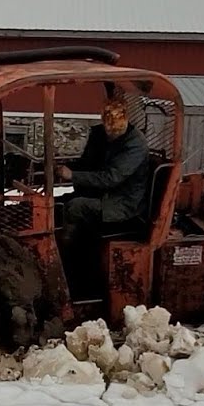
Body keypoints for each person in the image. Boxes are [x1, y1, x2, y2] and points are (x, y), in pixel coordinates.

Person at [54, 96, 151, 288]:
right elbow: (89, 162)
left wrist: (73, 175)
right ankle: (74, 254)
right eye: (107, 128)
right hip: (104, 195)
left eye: (114, 130)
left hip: (122, 204)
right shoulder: (101, 135)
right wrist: (66, 168)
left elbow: (110, 178)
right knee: (58, 203)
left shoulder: (135, 146)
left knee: (76, 207)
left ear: (125, 120)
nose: (110, 133)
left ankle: (64, 267)